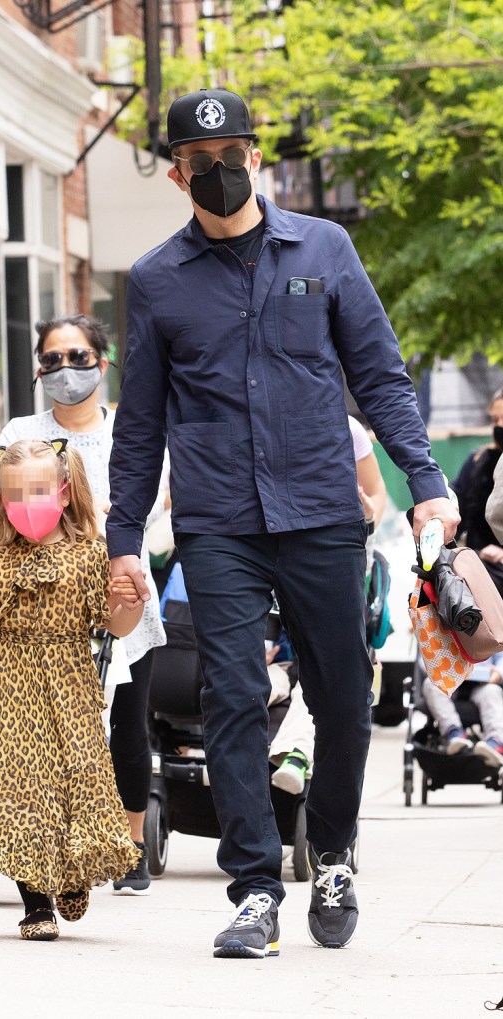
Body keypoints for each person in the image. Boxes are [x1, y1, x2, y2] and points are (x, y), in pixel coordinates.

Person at [105, 87, 459, 958]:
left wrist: (426, 479)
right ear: (178, 173)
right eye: (200, 165)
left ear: (255, 160)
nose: (218, 176)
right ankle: (256, 886)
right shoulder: (156, 280)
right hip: (218, 516)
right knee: (231, 691)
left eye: (232, 161)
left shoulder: (326, 249)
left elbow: (379, 376)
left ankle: (330, 853)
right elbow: (141, 422)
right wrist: (122, 542)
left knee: (343, 691)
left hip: (321, 510)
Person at [0, 439, 143, 941]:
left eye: (39, 493)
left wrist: (128, 600)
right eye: (15, 497)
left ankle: (71, 873)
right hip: (11, 691)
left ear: (64, 494)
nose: (27, 506)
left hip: (71, 687)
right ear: (0, 500)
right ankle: (35, 904)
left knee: (78, 783)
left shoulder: (92, 555)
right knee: (21, 793)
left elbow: (118, 625)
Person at [0, 315, 166, 895]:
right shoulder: (22, 430)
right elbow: (1, 508)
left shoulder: (135, 431)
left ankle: (131, 845)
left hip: (120, 591)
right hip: (44, 600)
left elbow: (157, 509)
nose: (65, 369)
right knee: (52, 727)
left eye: (78, 356)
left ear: (104, 359)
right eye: (52, 359)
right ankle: (56, 846)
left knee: (127, 726)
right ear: (38, 367)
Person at [270, 416, 387, 794]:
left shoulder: (344, 429)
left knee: (318, 688)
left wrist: (366, 516)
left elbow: (374, 499)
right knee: (249, 685)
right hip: (276, 658)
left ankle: (295, 755)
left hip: (314, 657)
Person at [451, 388, 503, 596]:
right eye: (494, 419)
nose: (499, 425)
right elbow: (457, 508)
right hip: (480, 566)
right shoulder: (478, 461)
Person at [421, 653, 503, 766]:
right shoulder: (438, 634)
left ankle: (495, 743)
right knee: (431, 684)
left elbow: (501, 657)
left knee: (492, 691)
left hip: (483, 683)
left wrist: (498, 673)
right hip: (448, 681)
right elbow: (424, 659)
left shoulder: (495, 635)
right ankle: (454, 734)